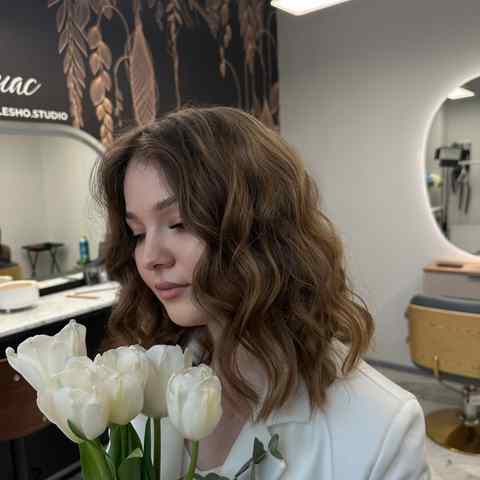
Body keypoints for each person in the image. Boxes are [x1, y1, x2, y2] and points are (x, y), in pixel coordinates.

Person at [91, 106, 430, 479]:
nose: (150, 257)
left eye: (180, 223)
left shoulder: (382, 428)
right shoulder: (150, 379)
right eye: (138, 233)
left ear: (261, 231)